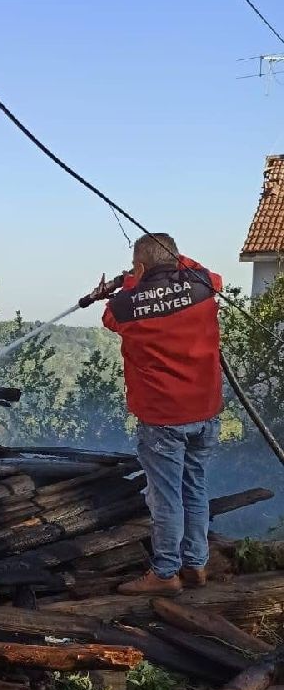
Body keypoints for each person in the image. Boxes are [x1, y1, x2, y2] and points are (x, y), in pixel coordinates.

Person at [101, 232, 223, 596]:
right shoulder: (203, 285)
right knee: (195, 487)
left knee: (166, 497)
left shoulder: (124, 306)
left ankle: (166, 573)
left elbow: (110, 317)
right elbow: (205, 272)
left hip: (163, 419)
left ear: (140, 267)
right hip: (205, 411)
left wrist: (129, 282)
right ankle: (195, 565)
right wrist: (166, 265)